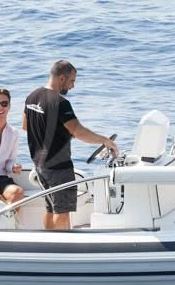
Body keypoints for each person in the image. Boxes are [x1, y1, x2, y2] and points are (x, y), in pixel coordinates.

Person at [22, 60, 118, 230]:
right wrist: (105, 140)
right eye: (72, 81)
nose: (73, 86)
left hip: (39, 164)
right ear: (61, 78)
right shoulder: (60, 103)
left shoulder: (32, 97)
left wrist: (56, 132)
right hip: (58, 166)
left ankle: (50, 245)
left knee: (51, 208)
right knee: (63, 211)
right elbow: (78, 131)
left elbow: (25, 126)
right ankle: (61, 248)